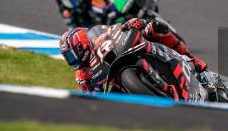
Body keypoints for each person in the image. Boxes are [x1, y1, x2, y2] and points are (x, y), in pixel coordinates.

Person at [59, 17, 207, 94]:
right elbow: (93, 99)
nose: (73, 60)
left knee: (154, 28)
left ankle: (192, 58)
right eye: (68, 58)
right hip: (119, 86)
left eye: (73, 54)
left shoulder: (99, 34)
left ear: (82, 44)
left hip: (126, 51)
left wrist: (133, 24)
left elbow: (117, 28)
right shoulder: (81, 76)